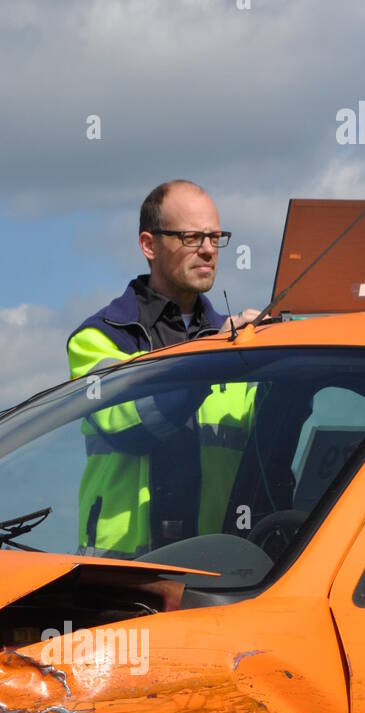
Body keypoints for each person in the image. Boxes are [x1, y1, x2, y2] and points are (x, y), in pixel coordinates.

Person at [66, 180, 258, 556]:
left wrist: (294, 348)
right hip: (120, 571)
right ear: (149, 245)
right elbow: (132, 427)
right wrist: (211, 362)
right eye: (191, 237)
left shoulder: (245, 343)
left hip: (220, 572)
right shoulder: (99, 337)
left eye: (215, 237)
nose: (207, 250)